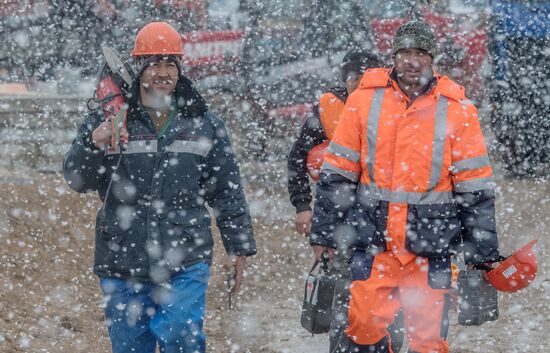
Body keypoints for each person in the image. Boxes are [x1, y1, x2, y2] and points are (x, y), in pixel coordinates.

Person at [63, 21, 256, 353]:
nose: (163, 73)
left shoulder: (203, 123)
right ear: (139, 68)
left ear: (180, 68)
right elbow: (76, 180)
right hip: (122, 258)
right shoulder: (108, 120)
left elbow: (226, 188)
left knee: (181, 335)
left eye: (171, 64)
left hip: (185, 257)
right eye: (154, 64)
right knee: (129, 347)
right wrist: (93, 143)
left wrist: (237, 247)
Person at [310, 20, 500, 353]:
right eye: (406, 53)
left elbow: (476, 190)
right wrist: (324, 236)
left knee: (428, 341)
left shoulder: (457, 109)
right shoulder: (364, 101)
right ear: (394, 56)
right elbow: (337, 174)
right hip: (374, 243)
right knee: (362, 329)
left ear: (433, 58)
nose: (412, 61)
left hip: (431, 248)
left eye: (421, 53)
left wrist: (481, 257)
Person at [287, 51, 405, 353]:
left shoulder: (398, 108)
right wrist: (303, 207)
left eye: (368, 79)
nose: (361, 86)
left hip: (387, 225)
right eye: (355, 79)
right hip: (342, 224)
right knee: (345, 303)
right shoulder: (328, 109)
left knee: (389, 306)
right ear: (345, 80)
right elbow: (298, 158)